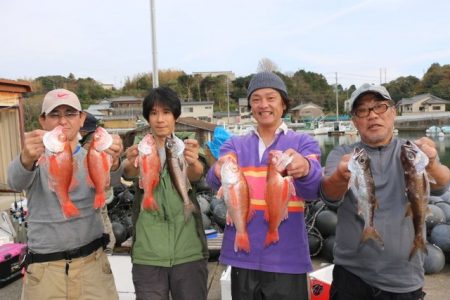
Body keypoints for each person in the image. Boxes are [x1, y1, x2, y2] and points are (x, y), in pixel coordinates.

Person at [320, 83, 450, 300]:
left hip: (405, 278)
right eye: (362, 110)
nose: (372, 116)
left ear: (393, 112)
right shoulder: (342, 154)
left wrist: (433, 162)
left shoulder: (411, 151)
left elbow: (442, 183)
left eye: (379, 107)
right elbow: (330, 196)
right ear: (354, 120)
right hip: (351, 276)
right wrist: (340, 177)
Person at [206, 71, 323, 300]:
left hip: (288, 259)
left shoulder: (303, 142)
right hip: (242, 256)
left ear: (283, 103)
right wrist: (218, 169)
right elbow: (214, 180)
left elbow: (312, 189)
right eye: (256, 99)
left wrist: (305, 169)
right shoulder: (235, 143)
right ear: (250, 105)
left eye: (271, 98)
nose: (263, 105)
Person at [7, 88, 123, 300]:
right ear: (42, 121)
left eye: (70, 113)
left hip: (93, 266)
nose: (62, 121)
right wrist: (24, 159)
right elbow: (14, 181)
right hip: (45, 270)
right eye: (54, 114)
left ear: (82, 119)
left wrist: (115, 163)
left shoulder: (93, 156)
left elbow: (110, 182)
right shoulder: (35, 158)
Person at [122, 86, 209, 300]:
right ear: (147, 118)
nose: (160, 119)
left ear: (175, 117)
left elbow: (198, 173)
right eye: (153, 113)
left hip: (189, 250)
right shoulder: (140, 146)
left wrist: (194, 162)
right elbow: (128, 171)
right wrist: (131, 161)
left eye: (166, 112)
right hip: (148, 254)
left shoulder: (186, 145)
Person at [80, 112, 116, 253]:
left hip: (98, 192)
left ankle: (107, 245)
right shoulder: (102, 143)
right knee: (104, 216)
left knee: (100, 217)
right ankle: (109, 243)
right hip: (103, 189)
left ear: (83, 130)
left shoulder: (90, 147)